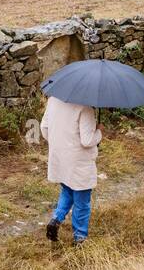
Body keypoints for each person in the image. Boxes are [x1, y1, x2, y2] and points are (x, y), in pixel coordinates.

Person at [40, 93, 102, 244]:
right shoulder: (85, 108)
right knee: (82, 201)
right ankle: (79, 238)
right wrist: (99, 131)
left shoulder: (53, 100)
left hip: (60, 157)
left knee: (67, 190)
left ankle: (56, 219)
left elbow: (44, 128)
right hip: (78, 162)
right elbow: (87, 141)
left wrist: (60, 143)